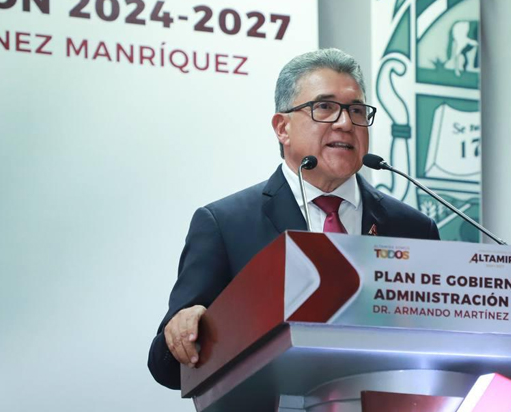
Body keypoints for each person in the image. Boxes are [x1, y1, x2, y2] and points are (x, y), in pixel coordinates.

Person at [148, 48, 440, 389]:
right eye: (325, 107)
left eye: (357, 110)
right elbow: (166, 368)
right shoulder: (224, 224)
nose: (346, 123)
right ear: (282, 128)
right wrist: (186, 331)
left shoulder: (413, 229)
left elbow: (438, 344)